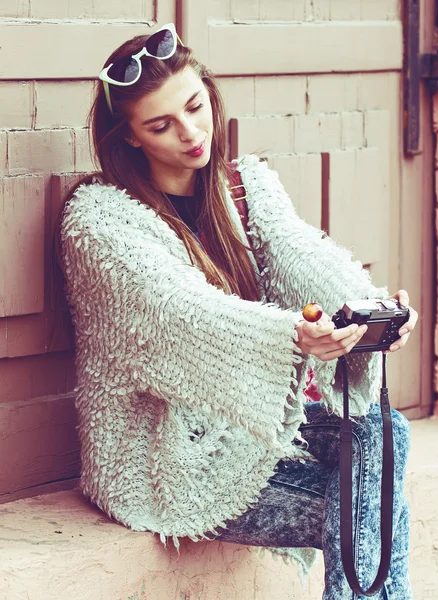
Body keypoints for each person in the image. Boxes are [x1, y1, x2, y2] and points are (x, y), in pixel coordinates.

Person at [55, 22, 418, 600]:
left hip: (251, 435)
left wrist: (363, 311)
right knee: (364, 501)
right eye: (161, 125)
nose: (191, 132)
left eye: (196, 107)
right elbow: (181, 316)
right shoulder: (100, 222)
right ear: (129, 138)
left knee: (382, 435)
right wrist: (295, 337)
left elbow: (301, 254)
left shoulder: (243, 185)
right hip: (166, 464)